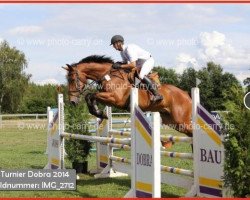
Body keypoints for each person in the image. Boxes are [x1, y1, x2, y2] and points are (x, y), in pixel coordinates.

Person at [110, 35, 163, 102]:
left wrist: (120, 66)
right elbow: (126, 63)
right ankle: (143, 89)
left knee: (141, 76)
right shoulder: (122, 52)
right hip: (139, 64)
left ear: (118, 43)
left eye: (113, 44)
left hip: (148, 61)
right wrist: (118, 64)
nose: (113, 47)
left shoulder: (129, 49)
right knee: (130, 75)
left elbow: (132, 65)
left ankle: (157, 94)